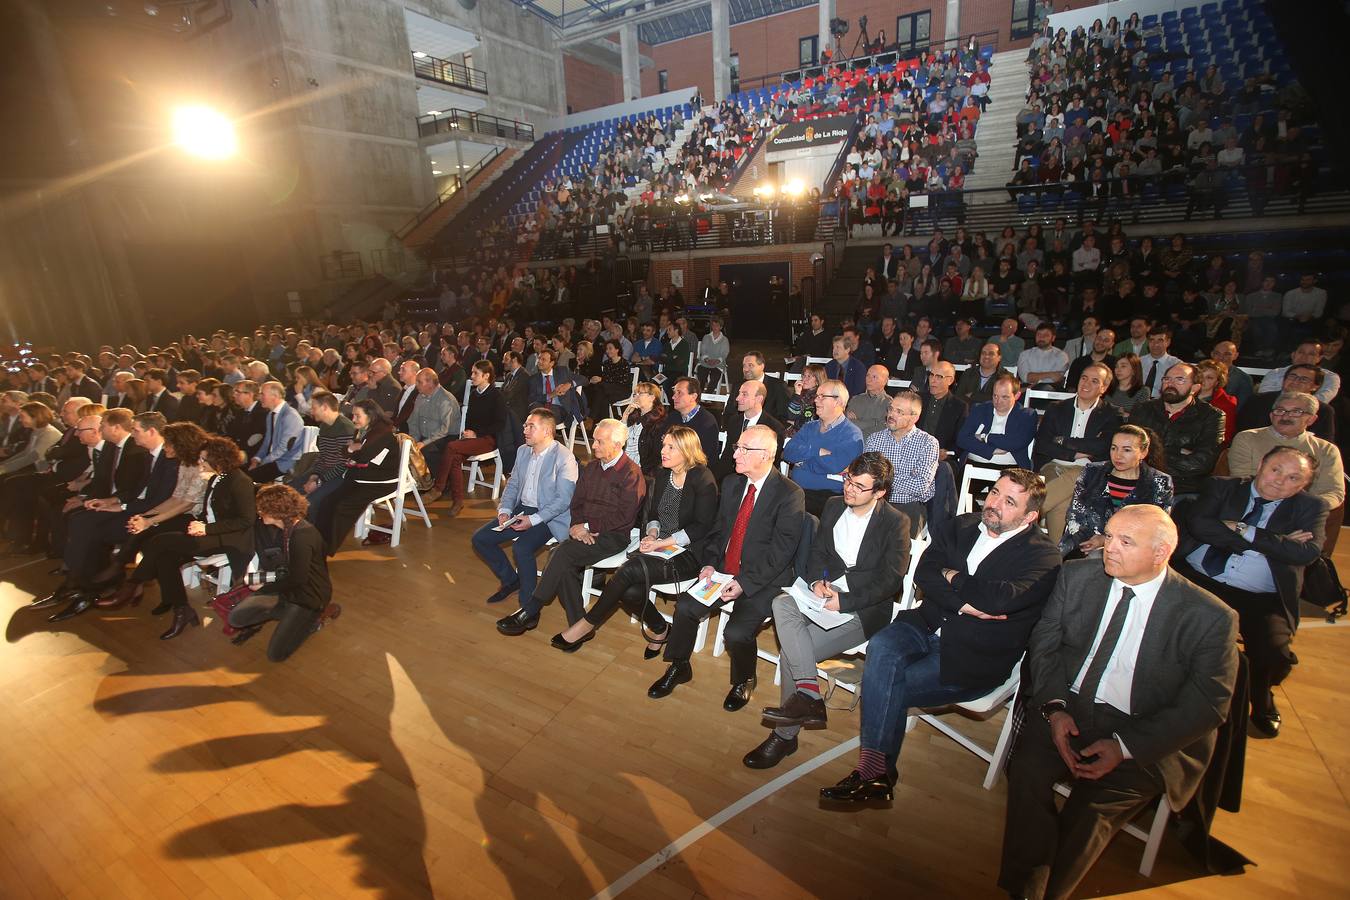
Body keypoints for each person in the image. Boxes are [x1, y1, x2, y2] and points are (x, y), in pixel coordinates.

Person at [1000, 505, 1238, 900]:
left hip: (1146, 728)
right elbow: (1045, 645)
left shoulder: (1208, 616)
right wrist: (1055, 708)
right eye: (1109, 536)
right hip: (1070, 705)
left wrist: (1125, 747)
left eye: (1126, 541)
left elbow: (1209, 704)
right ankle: (1026, 886)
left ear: (1161, 553)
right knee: (1025, 773)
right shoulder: (1077, 577)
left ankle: (1051, 892)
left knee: (1090, 812)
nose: (1109, 548)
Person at [818, 470, 1061, 805]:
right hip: (926, 622)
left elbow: (998, 601)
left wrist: (953, 577)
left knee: (889, 685)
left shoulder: (1044, 556)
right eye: (993, 493)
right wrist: (964, 602)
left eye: (1009, 501)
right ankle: (877, 775)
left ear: (1030, 516)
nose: (993, 503)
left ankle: (873, 773)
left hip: (974, 652)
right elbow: (925, 573)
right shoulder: (962, 525)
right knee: (882, 646)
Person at [746, 453, 910, 769]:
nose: (849, 489)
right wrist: (818, 581)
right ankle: (809, 694)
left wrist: (844, 601)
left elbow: (890, 580)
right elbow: (819, 553)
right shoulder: (834, 506)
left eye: (859, 486)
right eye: (848, 479)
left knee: (792, 654)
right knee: (781, 603)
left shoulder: (895, 522)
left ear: (879, 492)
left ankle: (785, 735)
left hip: (863, 609)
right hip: (823, 596)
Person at [1172, 448, 1327, 738]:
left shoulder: (1311, 508)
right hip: (1198, 580)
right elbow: (1200, 525)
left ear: (1303, 486)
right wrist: (1274, 543)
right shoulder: (1223, 487)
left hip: (1258, 596)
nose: (1280, 481)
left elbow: (1306, 552)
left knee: (1274, 654)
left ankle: (1262, 698)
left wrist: (1246, 529)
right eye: (1276, 470)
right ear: (1261, 465)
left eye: (1294, 478)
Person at [650, 424, 804, 708]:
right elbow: (718, 532)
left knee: (736, 632)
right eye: (737, 447)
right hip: (723, 570)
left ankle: (744, 679)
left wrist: (744, 582)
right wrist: (709, 564)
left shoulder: (789, 494)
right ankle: (680, 665)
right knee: (684, 607)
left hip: (763, 578)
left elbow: (781, 553)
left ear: (767, 455)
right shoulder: (733, 484)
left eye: (745, 449)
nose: (736, 455)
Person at [550, 425, 716, 652]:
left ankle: (588, 623)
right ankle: (660, 629)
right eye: (663, 445)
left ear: (687, 451)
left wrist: (661, 543)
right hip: (660, 546)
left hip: (689, 552)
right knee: (628, 593)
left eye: (670, 447)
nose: (662, 451)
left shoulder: (702, 478)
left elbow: (701, 527)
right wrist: (651, 534)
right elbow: (654, 514)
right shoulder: (663, 473)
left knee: (626, 571)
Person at [495, 418, 645, 637]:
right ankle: (580, 625)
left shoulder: (631, 474)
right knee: (562, 559)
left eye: (599, 442)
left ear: (617, 444)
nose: (593, 446)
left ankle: (531, 608)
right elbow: (576, 503)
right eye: (594, 440)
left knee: (561, 553)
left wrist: (586, 525)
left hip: (613, 535)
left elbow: (624, 517)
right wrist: (577, 525)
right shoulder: (593, 467)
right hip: (584, 531)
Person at [98, 436, 257, 639]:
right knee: (166, 556)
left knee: (160, 541)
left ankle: (133, 584)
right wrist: (199, 524)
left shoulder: (239, 481)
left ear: (218, 460)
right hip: (209, 530)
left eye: (203, 459)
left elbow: (245, 521)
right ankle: (182, 610)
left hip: (228, 538)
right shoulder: (217, 477)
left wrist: (207, 528)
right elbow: (209, 510)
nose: (200, 463)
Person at [471, 406, 579, 608]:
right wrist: (504, 510)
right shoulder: (523, 451)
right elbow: (512, 484)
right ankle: (512, 581)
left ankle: (528, 606)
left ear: (547, 431)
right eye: (525, 425)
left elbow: (563, 501)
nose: (524, 430)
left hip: (549, 515)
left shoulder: (564, 458)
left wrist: (534, 520)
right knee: (481, 539)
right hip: (523, 509)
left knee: (522, 548)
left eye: (531, 426)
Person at [226, 484, 341, 661]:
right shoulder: (286, 528)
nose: (258, 512)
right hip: (287, 588)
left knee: (276, 655)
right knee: (236, 618)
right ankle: (291, 617)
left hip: (308, 596)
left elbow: (298, 579)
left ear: (276, 512)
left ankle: (316, 617)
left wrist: (264, 587)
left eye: (262, 509)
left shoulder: (303, 536)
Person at [1228, 391, 1345, 531]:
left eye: (1296, 412)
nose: (1285, 416)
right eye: (1280, 410)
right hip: (1252, 506)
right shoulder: (1247, 438)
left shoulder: (1326, 449)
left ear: (1311, 419)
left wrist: (1304, 507)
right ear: (1271, 415)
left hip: (1300, 515)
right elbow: (1242, 479)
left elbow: (1333, 492)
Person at [1054, 425, 1174, 554]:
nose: (1118, 455)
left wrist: (1106, 540)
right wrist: (1090, 542)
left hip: (1130, 551)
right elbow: (1075, 515)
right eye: (1114, 448)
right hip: (1082, 543)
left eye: (1126, 450)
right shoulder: (1092, 471)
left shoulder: (1160, 481)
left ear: (1143, 452)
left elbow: (1154, 529)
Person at [312, 400, 401, 555]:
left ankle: (326, 549)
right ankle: (316, 542)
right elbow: (346, 452)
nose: (353, 419)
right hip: (360, 478)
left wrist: (353, 450)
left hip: (379, 482)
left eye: (357, 416)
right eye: (353, 415)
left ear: (371, 416)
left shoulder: (382, 434)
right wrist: (352, 449)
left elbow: (363, 456)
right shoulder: (365, 430)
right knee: (327, 502)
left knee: (342, 507)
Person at [1128, 363, 1225, 496]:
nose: (1170, 384)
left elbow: (1202, 463)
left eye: (1180, 379)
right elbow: (1126, 449)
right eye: (1167, 379)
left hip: (1182, 488)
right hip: (1139, 482)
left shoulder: (1212, 416)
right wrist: (1178, 451)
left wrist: (1152, 454)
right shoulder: (1143, 409)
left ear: (1195, 388)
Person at [426, 362, 504, 515]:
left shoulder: (496, 396)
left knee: (451, 446)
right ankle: (458, 501)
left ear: (486, 376)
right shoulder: (474, 395)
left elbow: (500, 424)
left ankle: (438, 487)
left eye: (476, 373)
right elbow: (469, 419)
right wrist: (469, 432)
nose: (472, 376)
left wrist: (476, 434)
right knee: (454, 458)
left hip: (488, 439)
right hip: (473, 439)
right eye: (472, 373)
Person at [782, 379, 864, 517]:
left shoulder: (852, 434)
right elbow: (788, 452)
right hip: (797, 492)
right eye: (817, 396)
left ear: (838, 401)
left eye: (822, 396)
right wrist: (816, 451)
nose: (815, 400)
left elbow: (834, 465)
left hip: (828, 499)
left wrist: (801, 463)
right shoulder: (809, 426)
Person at [864, 391, 938, 535]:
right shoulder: (874, 439)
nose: (891, 415)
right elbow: (867, 477)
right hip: (877, 503)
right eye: (890, 409)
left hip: (909, 507)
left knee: (898, 551)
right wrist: (905, 477)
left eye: (899, 412)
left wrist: (883, 478)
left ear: (914, 417)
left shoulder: (928, 443)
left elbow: (920, 486)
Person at [1032, 363, 1122, 473]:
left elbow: (1103, 446)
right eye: (1084, 378)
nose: (1086, 384)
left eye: (1094, 381)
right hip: (1054, 466)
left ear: (1104, 388)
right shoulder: (1056, 409)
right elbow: (1042, 444)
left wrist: (1061, 440)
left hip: (1090, 470)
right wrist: (1075, 454)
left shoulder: (1111, 413)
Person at [288, 392, 356, 518]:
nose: (311, 412)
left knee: (310, 503)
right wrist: (314, 476)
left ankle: (312, 534)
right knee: (288, 491)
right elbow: (322, 457)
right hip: (324, 472)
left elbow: (344, 464)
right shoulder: (324, 426)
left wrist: (318, 482)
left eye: (314, 408)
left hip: (340, 476)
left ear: (324, 407)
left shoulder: (345, 428)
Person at [956, 372, 1038, 469]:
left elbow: (1015, 442)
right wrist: (992, 450)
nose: (998, 401)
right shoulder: (980, 409)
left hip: (1011, 470)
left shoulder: (1026, 415)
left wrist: (985, 437)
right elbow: (962, 439)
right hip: (974, 465)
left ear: (1017, 395)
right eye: (995, 396)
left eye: (1004, 397)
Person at [713, 379, 784, 483]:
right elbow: (727, 456)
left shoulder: (774, 428)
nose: (737, 398)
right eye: (739, 393)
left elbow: (771, 464)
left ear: (759, 399)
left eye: (744, 394)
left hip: (757, 481)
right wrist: (713, 480)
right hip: (732, 478)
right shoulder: (734, 421)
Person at [248, 381, 305, 483]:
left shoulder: (290, 416)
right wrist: (257, 458)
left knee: (248, 479)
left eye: (262, 394)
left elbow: (284, 448)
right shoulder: (271, 414)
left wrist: (263, 463)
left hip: (285, 462)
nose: (259, 397)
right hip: (273, 459)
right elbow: (267, 441)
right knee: (243, 472)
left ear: (274, 396)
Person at [1258, 340, 1341, 404]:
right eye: (1301, 352)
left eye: (1311, 354)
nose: (1305, 357)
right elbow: (1265, 397)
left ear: (1319, 358)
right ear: (1293, 355)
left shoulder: (1330, 377)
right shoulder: (1275, 373)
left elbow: (1322, 399)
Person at [918, 361, 968, 455]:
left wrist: (948, 453)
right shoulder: (918, 399)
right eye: (931, 375)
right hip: (914, 452)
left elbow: (961, 439)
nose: (933, 380)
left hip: (940, 456)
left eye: (939, 377)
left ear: (950, 380)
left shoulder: (959, 407)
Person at [621, 381, 669, 477]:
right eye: (635, 394)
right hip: (624, 464)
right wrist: (625, 416)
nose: (636, 397)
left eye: (640, 394)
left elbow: (654, 455)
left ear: (652, 397)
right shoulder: (633, 416)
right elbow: (618, 438)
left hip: (642, 470)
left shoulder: (659, 422)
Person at [667, 376, 720, 464]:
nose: (673, 397)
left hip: (696, 472)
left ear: (693, 397)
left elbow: (702, 458)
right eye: (674, 392)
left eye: (679, 393)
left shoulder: (707, 422)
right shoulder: (672, 417)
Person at [733, 351, 790, 422]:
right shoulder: (738, 386)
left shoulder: (778, 386)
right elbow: (729, 413)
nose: (746, 369)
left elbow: (783, 416)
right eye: (744, 365)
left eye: (750, 365)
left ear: (762, 366)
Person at [1195, 359, 1238, 444]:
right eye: (1200, 376)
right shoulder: (1183, 396)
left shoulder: (1227, 403)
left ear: (1217, 382)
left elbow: (1225, 437)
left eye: (1209, 377)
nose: (1202, 380)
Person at [845, 364, 892, 439]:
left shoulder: (889, 403)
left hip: (876, 446)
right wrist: (874, 422)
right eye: (867, 376)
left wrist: (857, 422)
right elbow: (847, 425)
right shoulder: (856, 399)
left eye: (874, 377)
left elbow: (883, 430)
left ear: (885, 381)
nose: (869, 380)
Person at [696, 316, 730, 392]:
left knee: (715, 376)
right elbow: (703, 351)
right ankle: (700, 394)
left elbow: (724, 353)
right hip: (705, 362)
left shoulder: (724, 340)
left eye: (717, 326)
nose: (714, 327)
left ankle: (708, 395)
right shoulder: (706, 337)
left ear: (721, 327)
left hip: (718, 364)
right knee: (701, 372)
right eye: (713, 325)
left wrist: (717, 361)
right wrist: (707, 359)